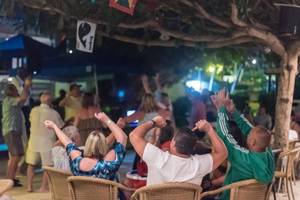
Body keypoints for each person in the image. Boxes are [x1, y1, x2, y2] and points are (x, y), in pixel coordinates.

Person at [211, 89, 274, 200]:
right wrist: (233, 111)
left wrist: (221, 109)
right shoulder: (268, 153)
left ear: (253, 142)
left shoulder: (244, 158)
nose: (247, 134)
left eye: (249, 135)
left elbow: (225, 136)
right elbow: (250, 129)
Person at [129, 115, 227, 186]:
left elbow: (133, 135)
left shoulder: (157, 158)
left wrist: (153, 122)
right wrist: (209, 129)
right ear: (193, 148)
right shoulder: (200, 165)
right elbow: (223, 152)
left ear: (173, 144)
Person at [44, 112, 127, 181]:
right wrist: (106, 120)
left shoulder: (77, 160)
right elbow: (122, 138)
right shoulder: (108, 163)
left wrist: (54, 126)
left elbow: (67, 142)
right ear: (104, 146)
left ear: (87, 145)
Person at [26, 92, 64, 192]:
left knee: (31, 164)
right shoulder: (53, 113)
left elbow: (31, 121)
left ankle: (29, 186)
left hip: (33, 142)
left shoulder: (33, 110)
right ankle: (43, 187)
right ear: (49, 101)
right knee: (48, 166)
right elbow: (60, 127)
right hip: (46, 143)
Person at [2, 80, 31, 187]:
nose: (17, 91)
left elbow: (23, 100)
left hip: (13, 131)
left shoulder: (12, 101)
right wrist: (26, 86)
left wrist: (26, 89)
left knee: (17, 155)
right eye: (15, 90)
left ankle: (11, 179)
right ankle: (9, 180)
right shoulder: (9, 100)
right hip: (11, 130)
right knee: (15, 156)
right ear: (12, 91)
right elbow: (23, 99)